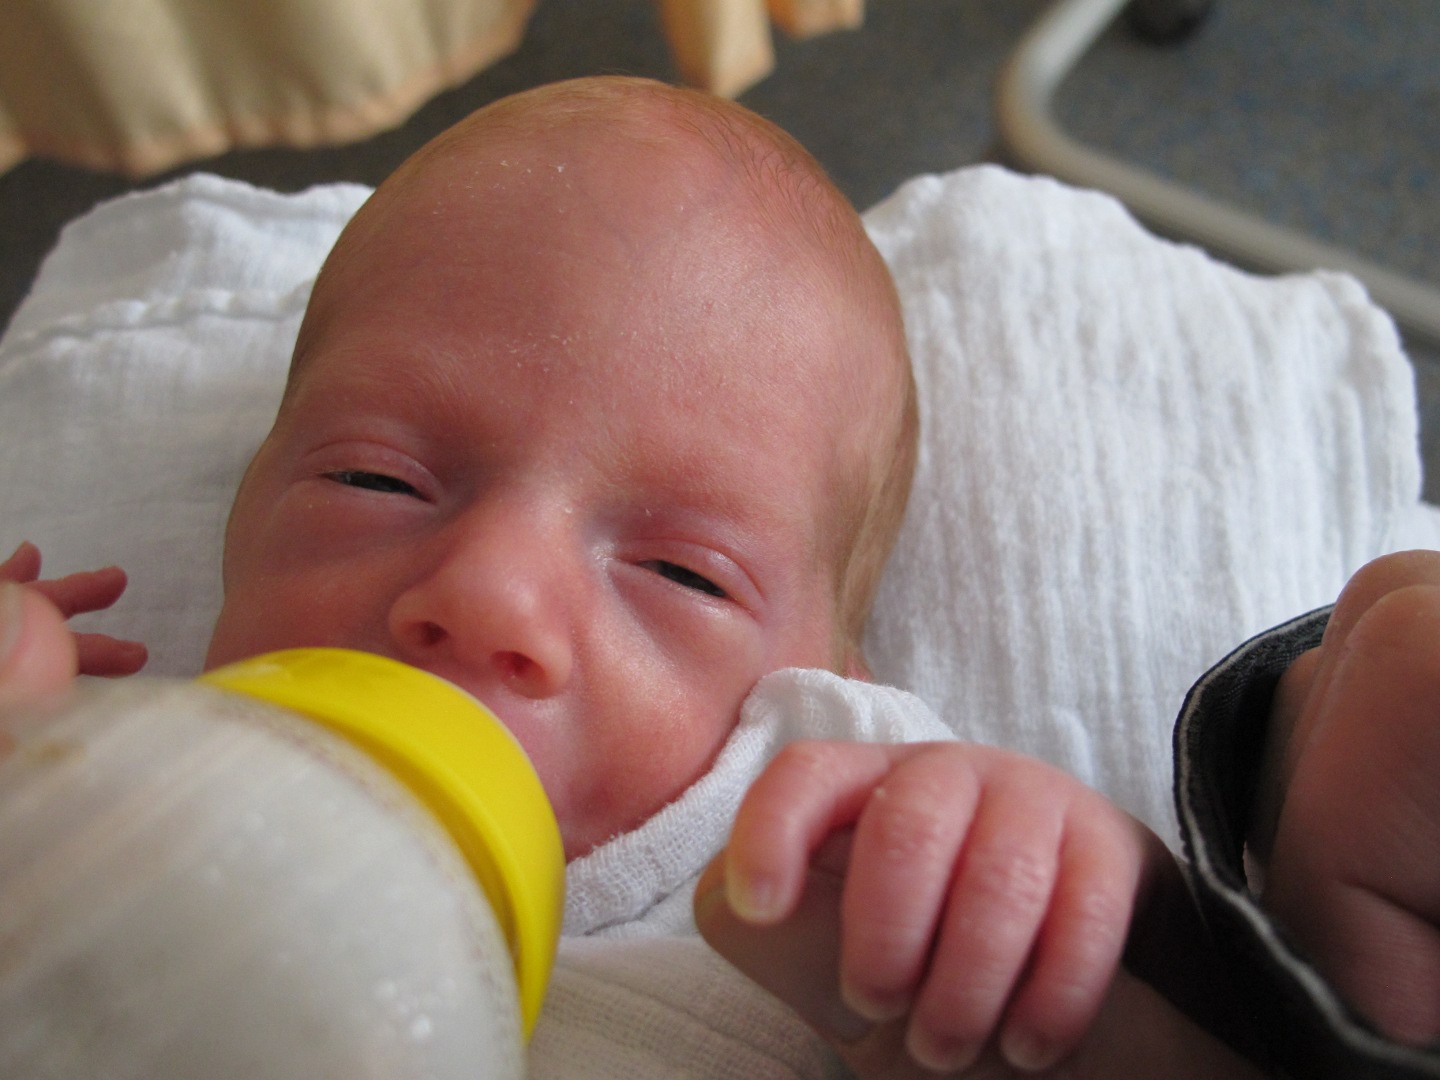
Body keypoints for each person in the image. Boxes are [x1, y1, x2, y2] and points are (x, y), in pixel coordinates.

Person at [0, 76, 1432, 1077]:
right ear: (242, 513)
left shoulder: (817, 827)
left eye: (684, 573)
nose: (487, 592)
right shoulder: (102, 769)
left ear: (831, 673)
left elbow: (1158, 996)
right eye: (373, 481)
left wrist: (1043, 881)